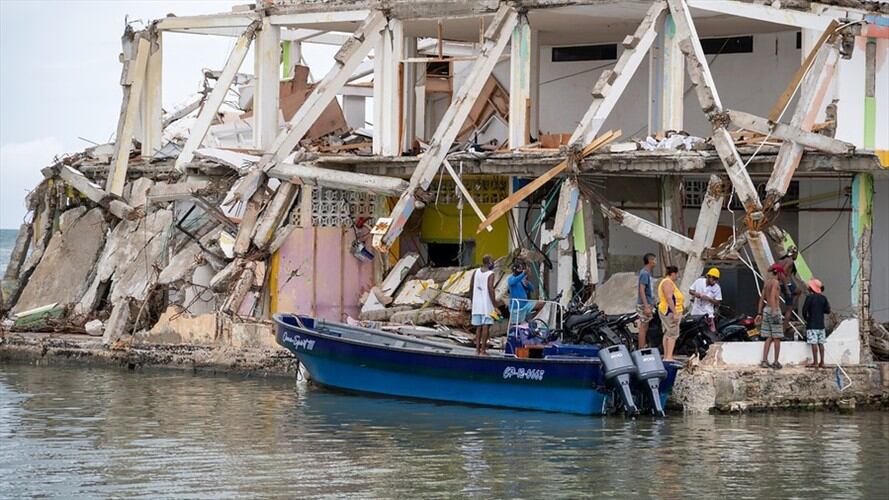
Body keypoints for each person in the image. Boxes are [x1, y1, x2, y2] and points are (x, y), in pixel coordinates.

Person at [756, 263, 785, 369]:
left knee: (768, 336)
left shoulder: (767, 283)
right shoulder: (775, 282)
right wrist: (774, 311)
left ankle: (764, 360)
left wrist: (759, 313)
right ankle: (776, 362)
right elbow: (772, 296)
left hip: (766, 310)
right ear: (778, 273)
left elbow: (761, 298)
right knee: (777, 337)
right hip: (774, 310)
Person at [469, 255, 498, 355]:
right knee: (485, 326)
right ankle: (483, 350)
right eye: (492, 261)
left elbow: (471, 287)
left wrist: (472, 300)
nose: (493, 263)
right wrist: (495, 305)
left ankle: (477, 350)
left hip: (477, 304)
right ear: (489, 262)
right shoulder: (491, 274)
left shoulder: (475, 272)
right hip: (486, 304)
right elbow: (490, 288)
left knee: (478, 327)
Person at [802, 278, 831, 368]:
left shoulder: (809, 298)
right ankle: (822, 362)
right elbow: (828, 310)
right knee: (821, 343)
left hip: (812, 324)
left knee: (814, 343)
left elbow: (804, 311)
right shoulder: (823, 298)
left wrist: (806, 319)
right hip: (821, 325)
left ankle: (815, 362)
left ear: (811, 288)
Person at [657, 266, 683, 361]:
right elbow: (669, 298)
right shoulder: (667, 282)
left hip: (669, 311)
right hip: (669, 311)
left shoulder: (669, 282)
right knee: (672, 333)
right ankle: (669, 356)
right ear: (673, 273)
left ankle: (667, 356)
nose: (677, 276)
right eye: (676, 274)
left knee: (668, 333)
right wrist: (675, 313)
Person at [689, 267, 723, 332]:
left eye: (716, 279)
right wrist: (697, 294)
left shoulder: (717, 288)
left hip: (708, 313)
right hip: (696, 312)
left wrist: (708, 299)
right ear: (709, 277)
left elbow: (718, 302)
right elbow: (691, 290)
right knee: (695, 331)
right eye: (714, 278)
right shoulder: (699, 281)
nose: (715, 281)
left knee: (710, 331)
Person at [636, 253, 657, 348]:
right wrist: (646, 306)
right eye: (654, 260)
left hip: (649, 302)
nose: (655, 262)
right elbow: (642, 290)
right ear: (650, 261)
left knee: (646, 326)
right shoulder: (644, 273)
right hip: (644, 304)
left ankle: (643, 345)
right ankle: (641, 348)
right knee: (643, 327)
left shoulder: (648, 273)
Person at [778, 247, 801, 324]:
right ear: (793, 253)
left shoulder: (781, 260)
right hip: (787, 284)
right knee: (789, 309)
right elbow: (782, 273)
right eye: (796, 254)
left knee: (798, 291)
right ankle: (784, 328)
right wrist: (787, 288)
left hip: (780, 284)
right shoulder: (790, 261)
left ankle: (790, 305)